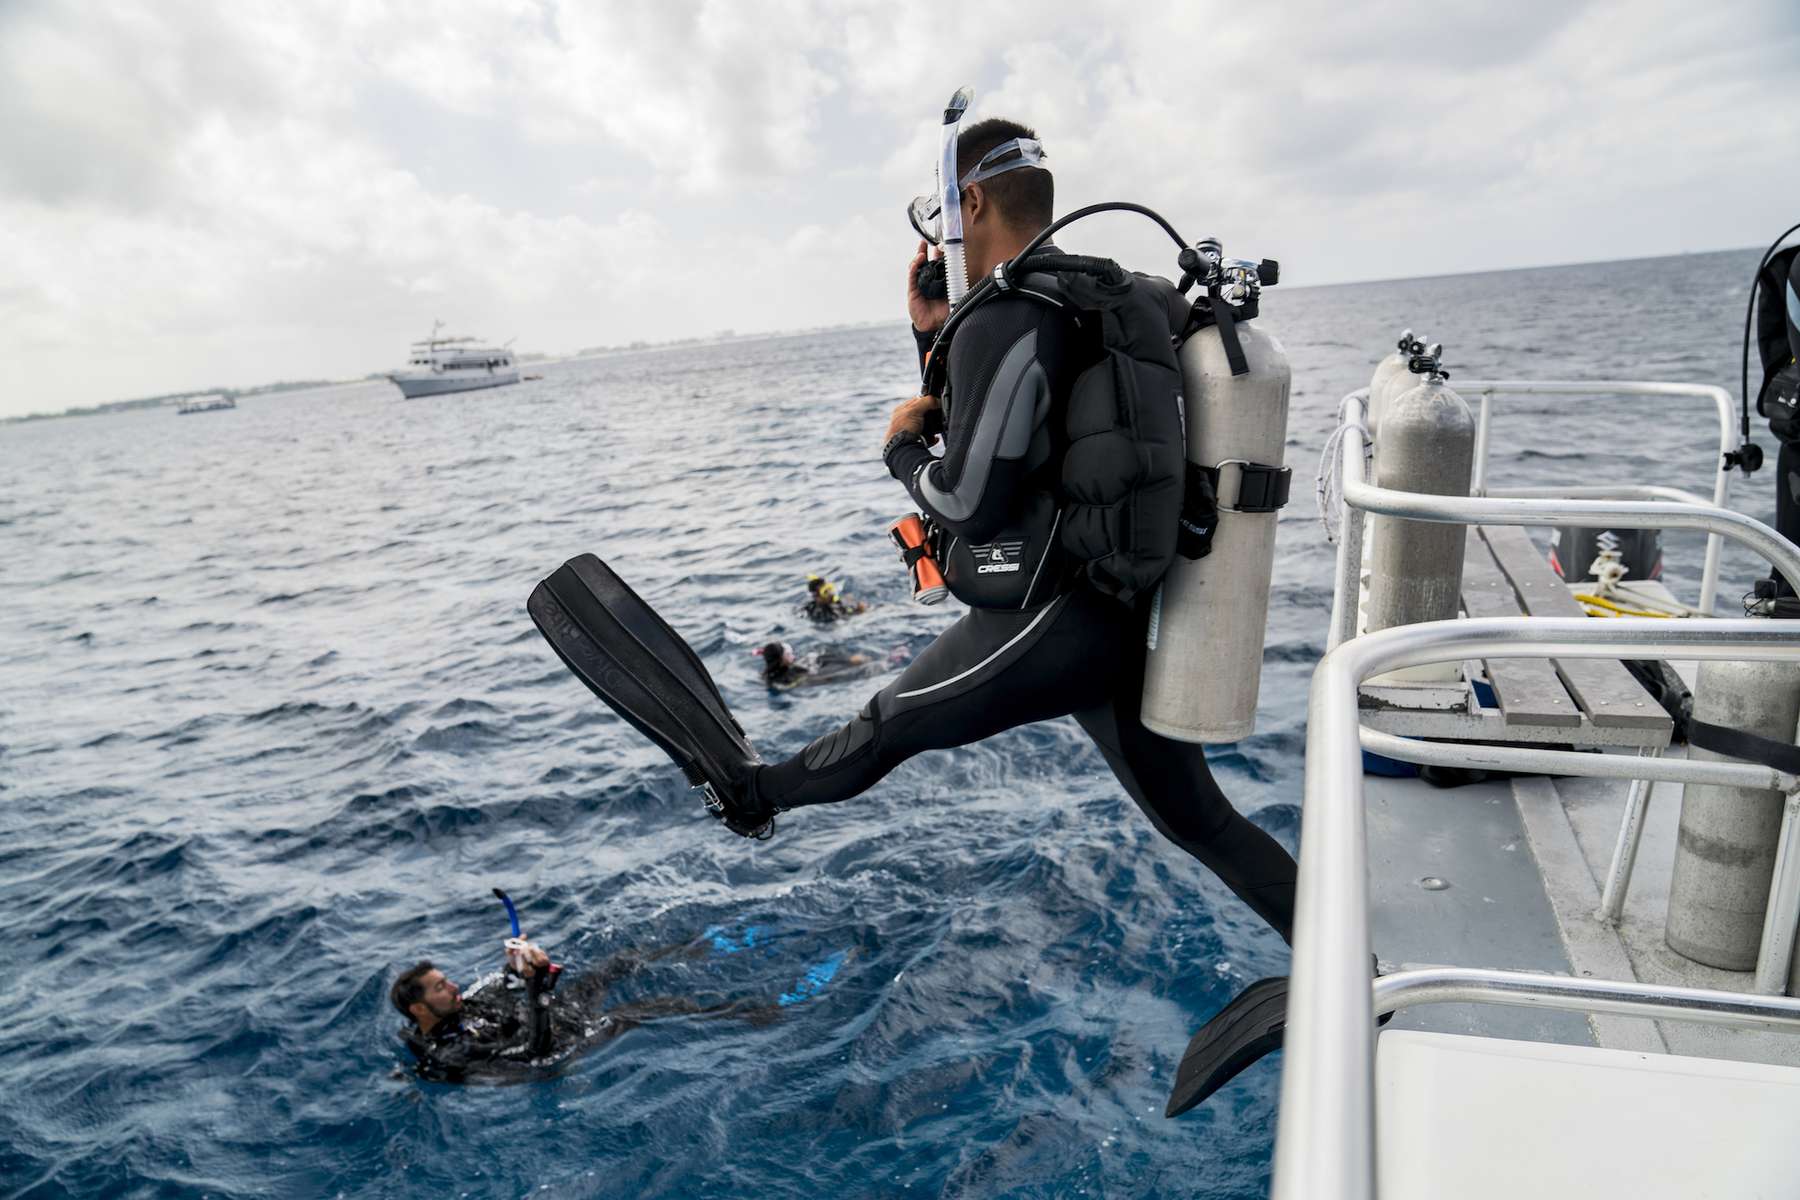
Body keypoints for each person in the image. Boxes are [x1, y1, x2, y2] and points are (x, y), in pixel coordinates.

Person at [527, 115, 1298, 944]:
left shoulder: (1007, 313)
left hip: (1048, 622)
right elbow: (1025, 433)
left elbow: (968, 502)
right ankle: (1354, 967)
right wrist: (932, 333)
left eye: (941, 213)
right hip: (1121, 611)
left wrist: (897, 447)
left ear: (970, 202)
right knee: (1202, 823)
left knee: (882, 730)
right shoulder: (1097, 291)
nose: (941, 235)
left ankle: (747, 797)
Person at [391, 938, 765, 1083]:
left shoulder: (457, 1008)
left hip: (549, 1021)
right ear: (419, 1008)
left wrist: (516, 970)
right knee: (644, 1010)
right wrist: (537, 988)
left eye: (447, 980)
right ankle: (747, 1014)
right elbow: (533, 1054)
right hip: (555, 1053)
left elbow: (500, 995)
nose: (453, 986)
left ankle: (702, 945)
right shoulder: (450, 1051)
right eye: (441, 987)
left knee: (611, 967)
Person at [755, 640, 882, 690]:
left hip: (810, 668)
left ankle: (855, 660)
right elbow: (817, 680)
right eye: (788, 654)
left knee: (819, 657)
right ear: (781, 660)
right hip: (815, 676)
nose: (791, 655)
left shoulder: (766, 676)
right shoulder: (788, 677)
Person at [803, 574, 867, 622]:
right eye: (825, 592)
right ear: (817, 597)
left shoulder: (835, 601)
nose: (831, 593)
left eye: (830, 588)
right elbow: (843, 621)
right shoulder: (823, 613)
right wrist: (859, 612)